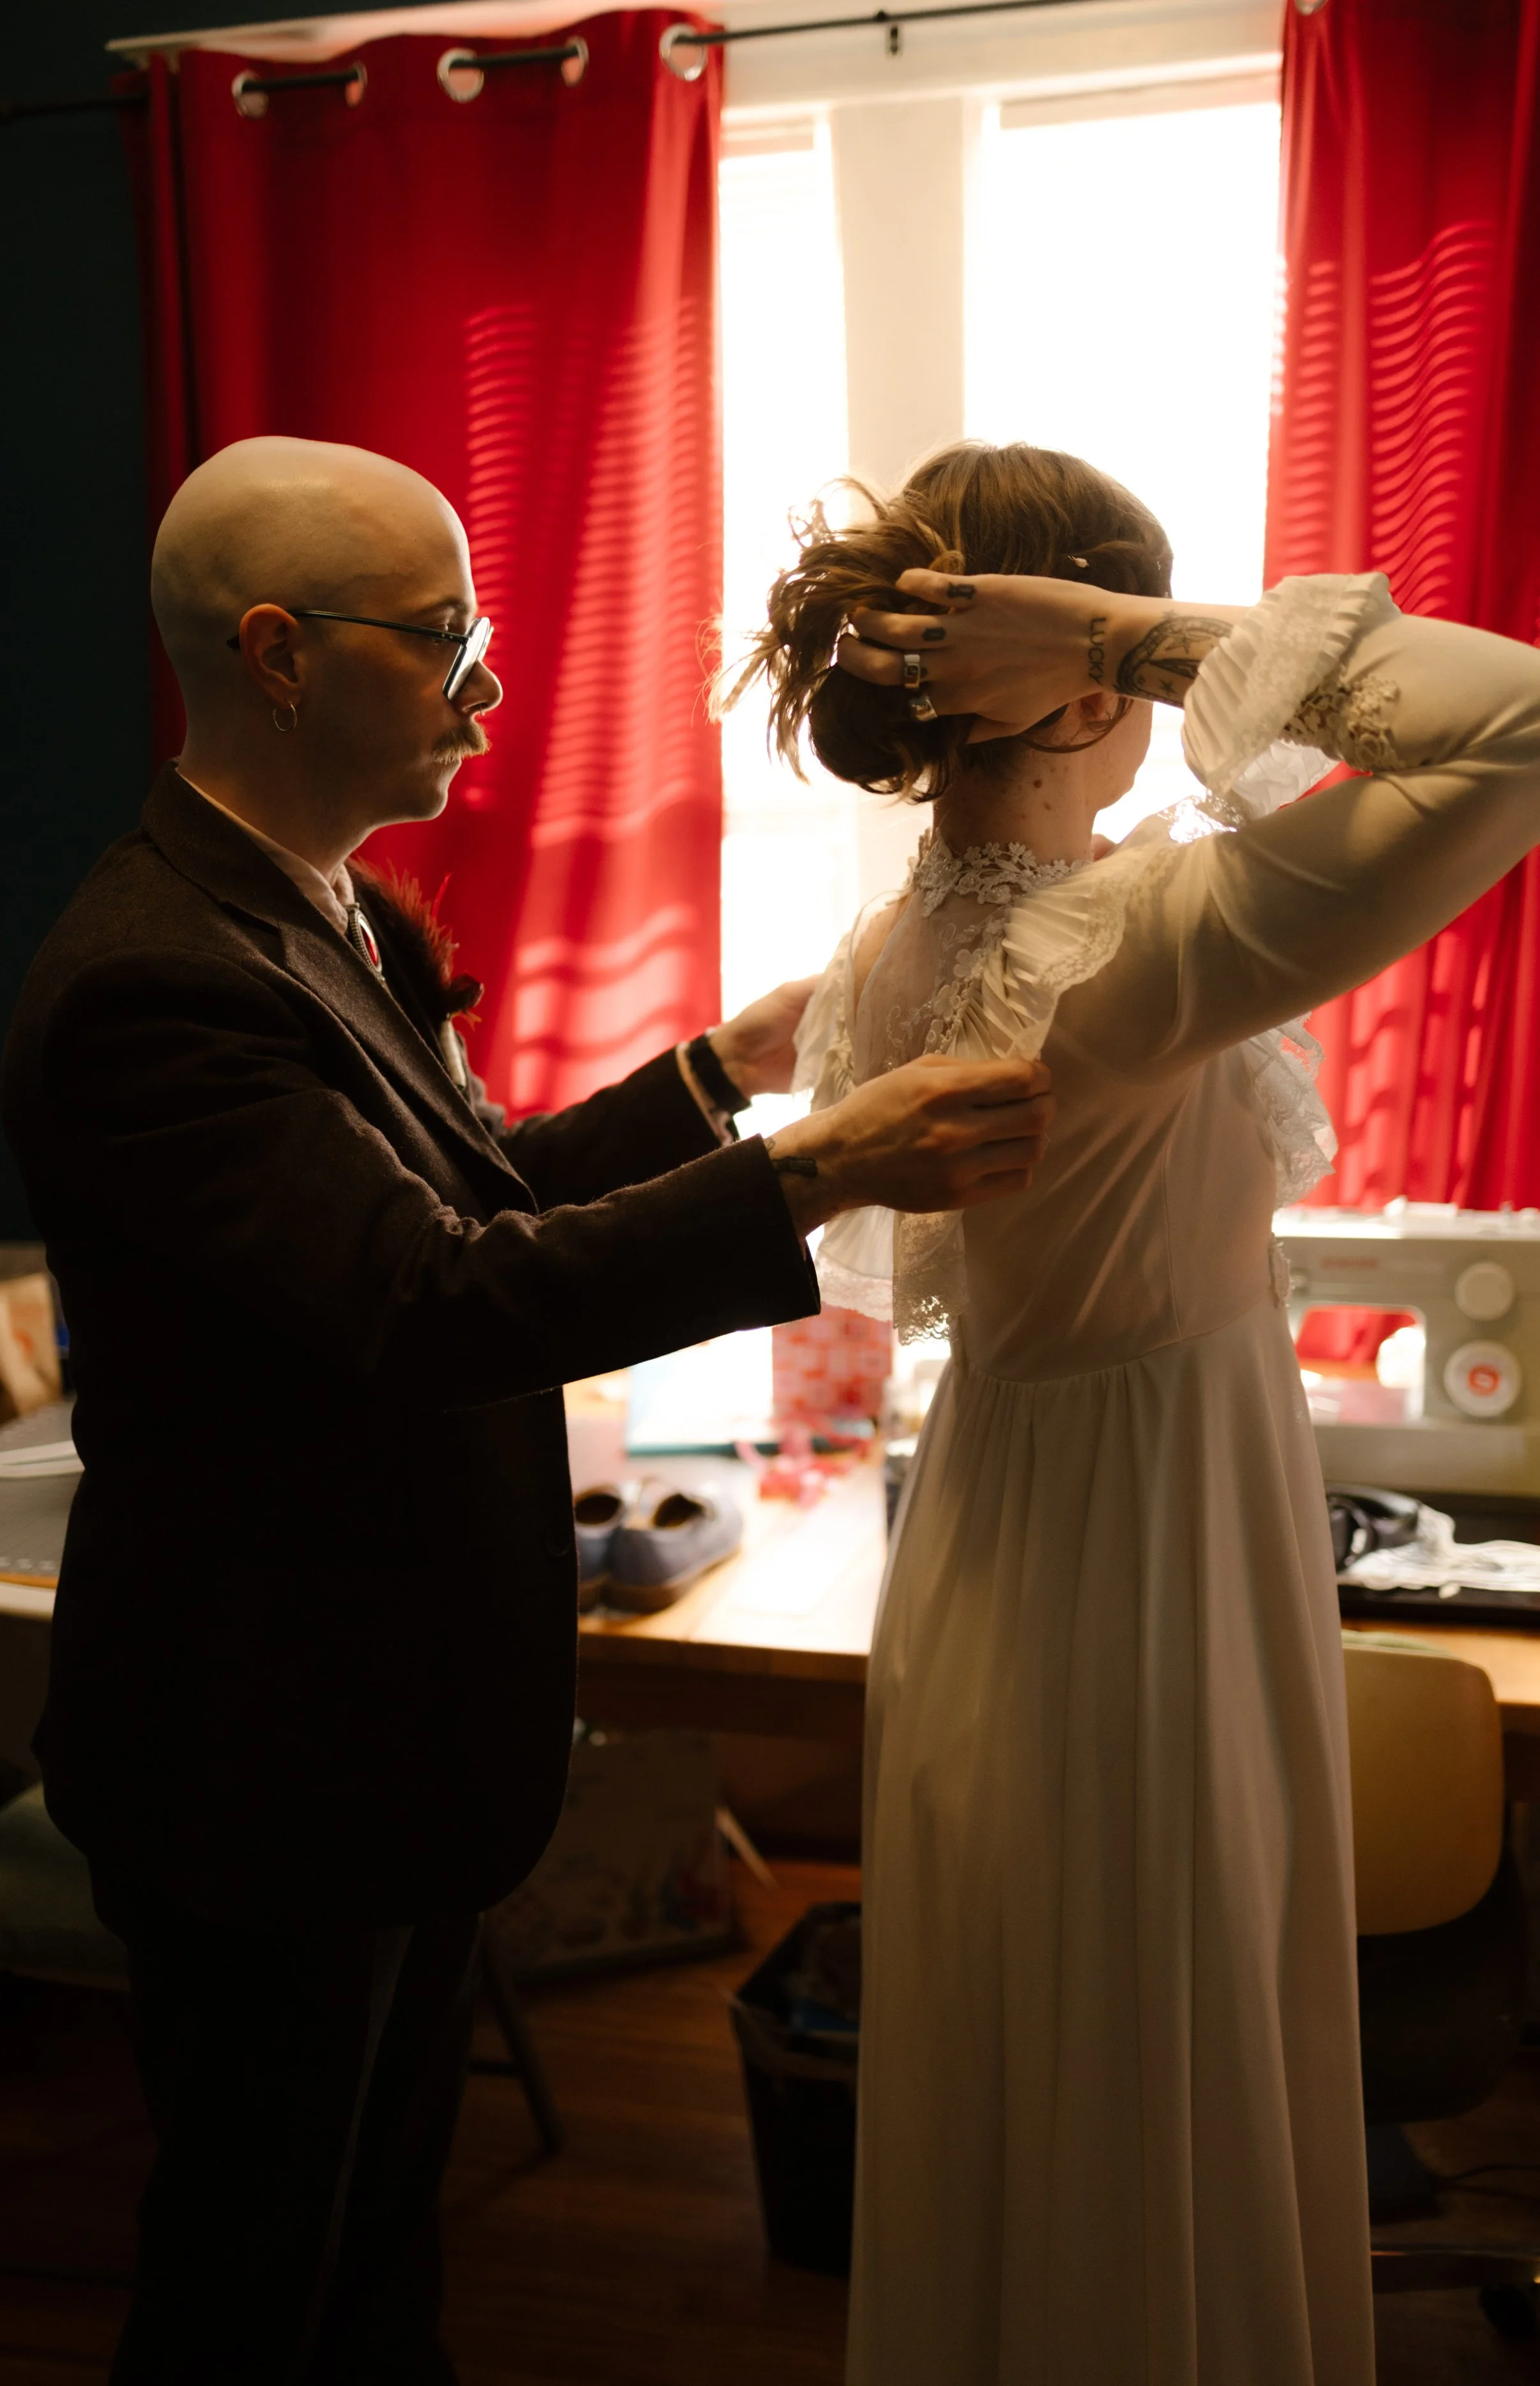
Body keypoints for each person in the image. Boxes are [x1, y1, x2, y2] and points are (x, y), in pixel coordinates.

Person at [0, 435, 1057, 2384]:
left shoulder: (336, 913)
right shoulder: (150, 987)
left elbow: (474, 1195)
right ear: (277, 652)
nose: (490, 687)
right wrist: (814, 1169)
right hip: (260, 1757)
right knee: (253, 2281)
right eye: (446, 638)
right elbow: (426, 1305)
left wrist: (719, 1076)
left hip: (382, 1734)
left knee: (374, 2254)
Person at [737, 437, 1540, 2386]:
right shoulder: (1133, 942)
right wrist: (1136, 627)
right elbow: (1511, 721)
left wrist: (1109, 647)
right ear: (1095, 686)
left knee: (1048, 2049)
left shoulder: (899, 946)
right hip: (1145, 1557)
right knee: (1151, 2021)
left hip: (1014, 1526)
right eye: (1133, 657)